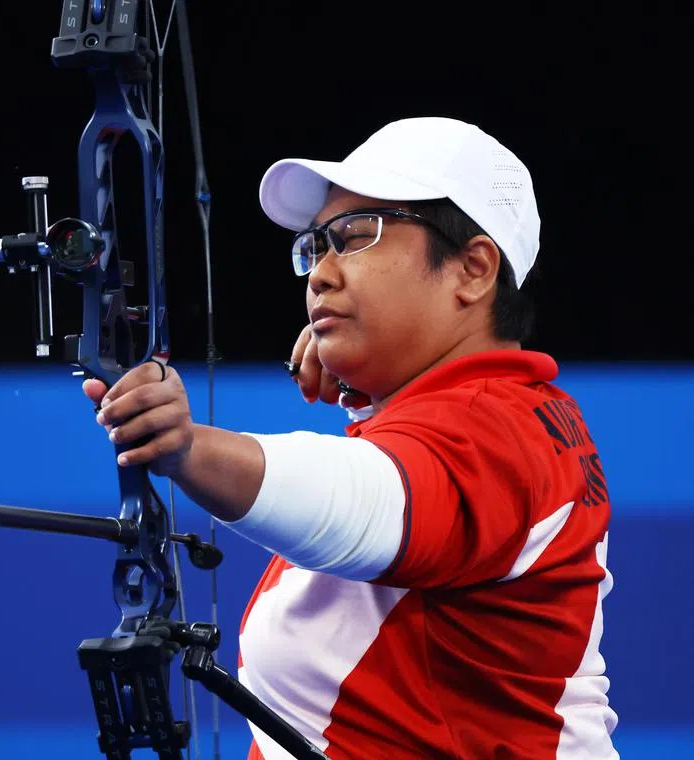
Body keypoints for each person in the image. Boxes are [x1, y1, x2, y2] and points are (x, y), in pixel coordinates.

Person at [82, 116, 618, 759]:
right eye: (316, 246)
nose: (320, 275)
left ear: (472, 270)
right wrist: (376, 394)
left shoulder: (495, 430)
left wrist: (190, 450)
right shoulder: (492, 412)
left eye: (357, 237)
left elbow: (371, 506)